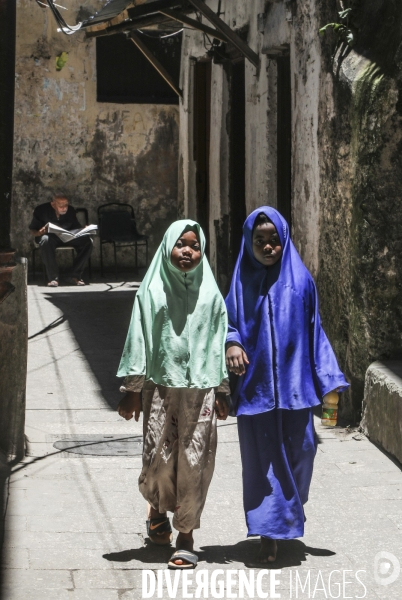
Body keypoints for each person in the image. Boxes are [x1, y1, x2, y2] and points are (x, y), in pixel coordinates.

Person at [225, 207, 349, 564]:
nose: (267, 247)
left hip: (297, 390)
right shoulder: (239, 282)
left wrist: (329, 383)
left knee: (303, 453)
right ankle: (269, 532)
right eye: (259, 240)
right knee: (263, 464)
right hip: (256, 391)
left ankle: (289, 509)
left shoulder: (302, 281)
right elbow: (227, 322)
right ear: (249, 244)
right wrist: (232, 343)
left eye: (274, 240)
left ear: (284, 241)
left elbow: (315, 333)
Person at [116, 219, 229, 569]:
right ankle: (156, 509)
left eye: (194, 246)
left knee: (195, 463)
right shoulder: (150, 292)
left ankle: (187, 536)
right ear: (167, 247)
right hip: (160, 390)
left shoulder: (211, 294)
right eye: (181, 244)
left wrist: (223, 389)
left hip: (200, 392)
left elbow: (218, 341)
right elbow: (138, 340)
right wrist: (132, 390)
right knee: (159, 461)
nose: (187, 251)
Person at [29, 193, 92, 286]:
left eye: (66, 204)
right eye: (61, 205)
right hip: (51, 238)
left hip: (67, 237)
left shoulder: (70, 210)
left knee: (88, 241)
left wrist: (83, 230)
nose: (64, 208)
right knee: (45, 240)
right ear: (53, 204)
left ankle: (74, 275)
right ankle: (53, 278)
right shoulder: (41, 210)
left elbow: (75, 227)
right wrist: (39, 232)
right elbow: (32, 229)